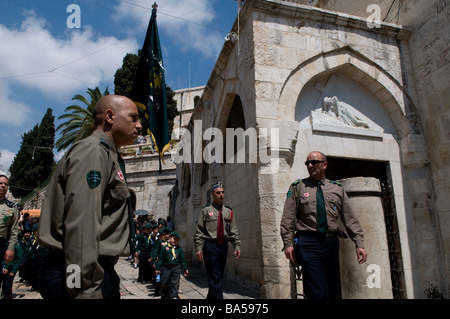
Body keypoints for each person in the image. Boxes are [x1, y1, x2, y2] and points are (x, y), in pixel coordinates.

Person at [37, 95, 142, 299]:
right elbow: (82, 226)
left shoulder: (107, 154)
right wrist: (83, 289)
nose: (139, 126)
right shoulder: (94, 152)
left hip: (93, 270)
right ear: (110, 116)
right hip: (78, 273)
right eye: (133, 118)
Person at [280, 151, 367, 299]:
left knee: (332, 288)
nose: (310, 165)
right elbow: (287, 218)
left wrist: (359, 243)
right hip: (307, 242)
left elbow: (350, 218)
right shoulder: (298, 187)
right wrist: (288, 243)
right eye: (308, 163)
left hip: (330, 242)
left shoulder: (337, 188)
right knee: (317, 290)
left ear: (324, 164)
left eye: (314, 162)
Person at [193, 181, 241, 299]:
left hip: (223, 246)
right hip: (211, 245)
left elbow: (233, 230)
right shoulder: (206, 210)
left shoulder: (228, 211)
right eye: (218, 193)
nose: (221, 195)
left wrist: (237, 245)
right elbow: (199, 230)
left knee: (218, 276)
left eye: (223, 192)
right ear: (212, 195)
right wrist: (199, 248)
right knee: (214, 276)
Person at [156, 231, 188, 299]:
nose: (175, 241)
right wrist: (158, 268)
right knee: (164, 282)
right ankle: (164, 295)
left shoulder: (179, 249)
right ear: (170, 238)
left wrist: (185, 268)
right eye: (174, 239)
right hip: (166, 267)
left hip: (176, 267)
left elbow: (182, 259)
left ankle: (173, 295)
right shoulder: (165, 248)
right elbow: (160, 259)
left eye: (177, 240)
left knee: (175, 283)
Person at [0, 175, 20, 267]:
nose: (3, 185)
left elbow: (14, 229)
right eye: (0, 183)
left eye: (6, 184)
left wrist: (11, 249)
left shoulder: (12, 207)